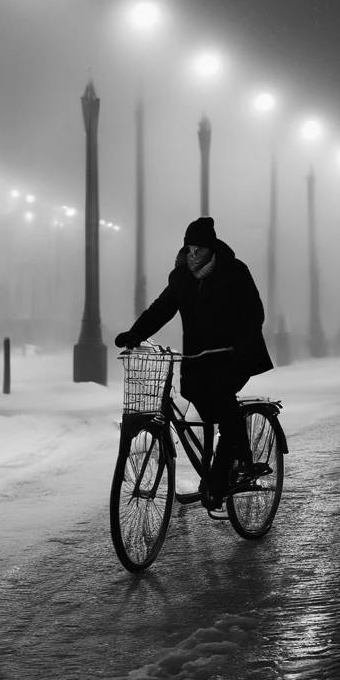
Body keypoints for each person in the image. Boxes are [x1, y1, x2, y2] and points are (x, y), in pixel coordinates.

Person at [115, 216, 273, 509]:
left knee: (221, 395)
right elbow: (161, 309)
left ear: (211, 249)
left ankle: (229, 466)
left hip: (235, 354)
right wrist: (136, 333)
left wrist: (241, 344)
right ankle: (228, 449)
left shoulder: (234, 272)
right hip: (199, 357)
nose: (192, 254)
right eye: (188, 248)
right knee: (193, 392)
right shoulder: (181, 278)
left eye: (198, 249)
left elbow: (254, 313)